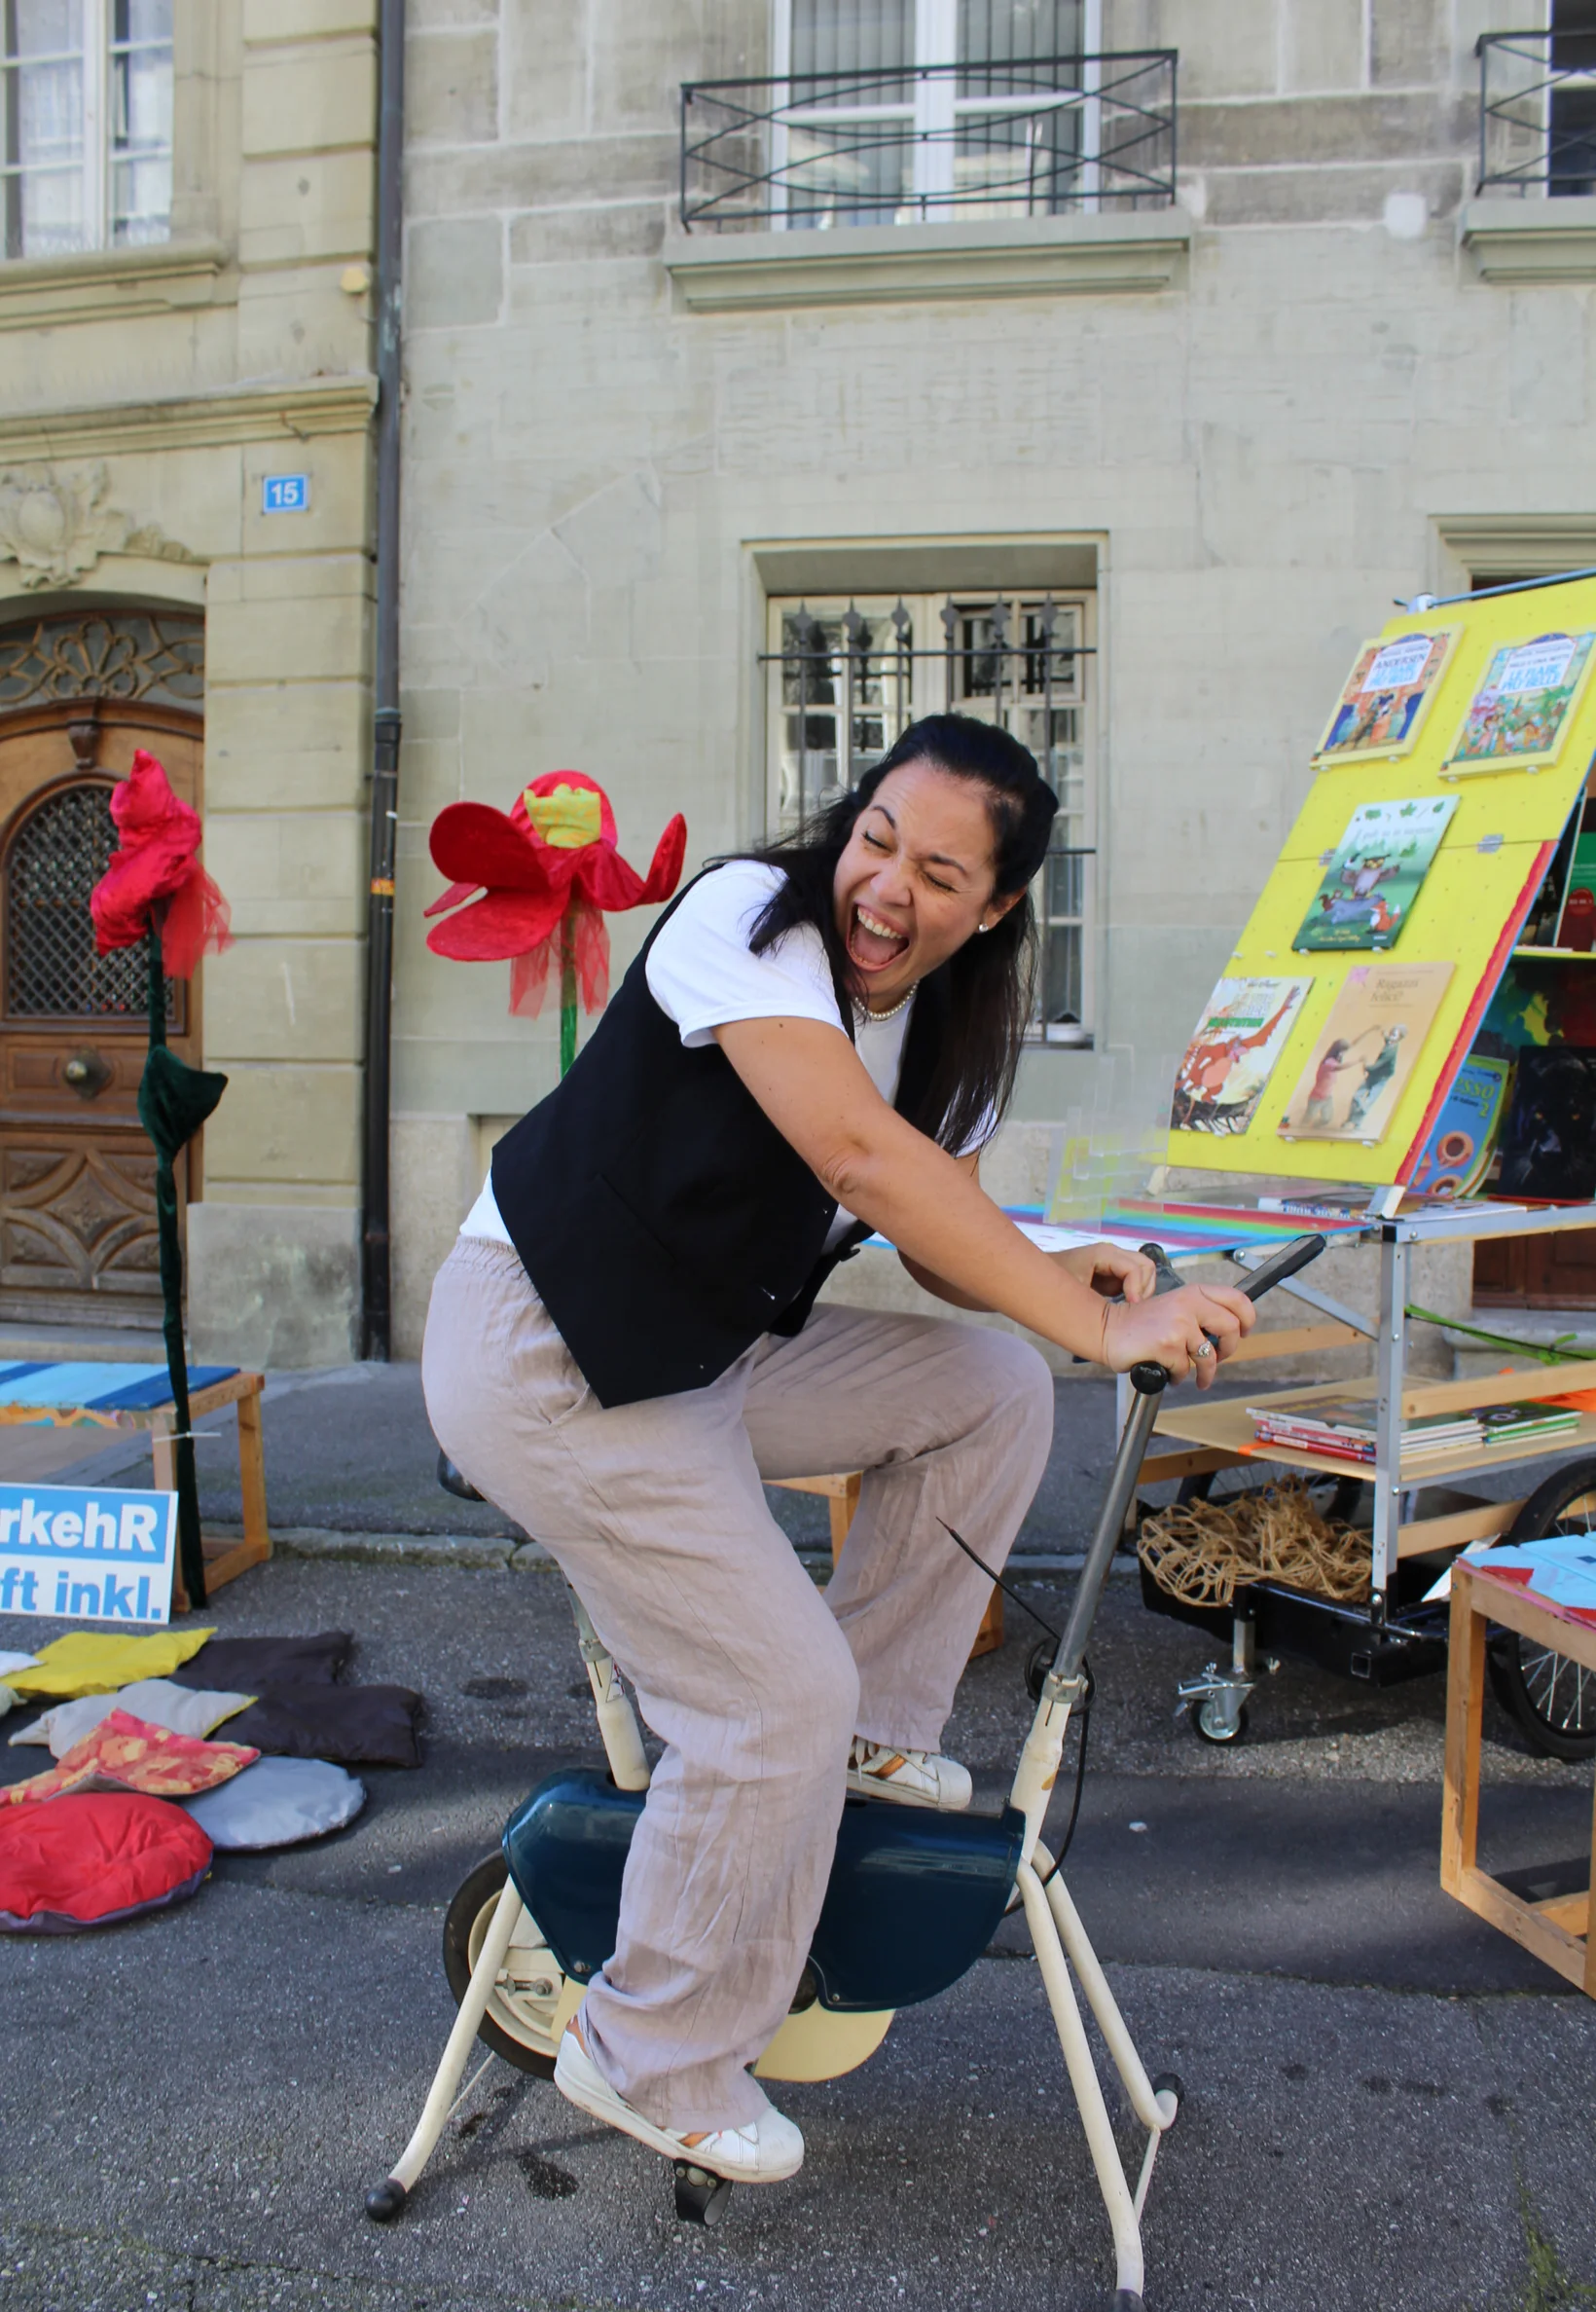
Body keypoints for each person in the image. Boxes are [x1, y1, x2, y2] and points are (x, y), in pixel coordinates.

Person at [421, 714, 1253, 2191]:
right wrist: (1097, 1323)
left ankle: (869, 1727)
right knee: (766, 1699)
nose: (885, 887)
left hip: (695, 1352)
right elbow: (858, 1160)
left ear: (995, 907)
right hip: (548, 1348)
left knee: (991, 1385)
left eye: (939, 874)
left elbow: (930, 1230)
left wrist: (1066, 1268)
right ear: (847, 820)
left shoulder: (957, 1029)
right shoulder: (751, 917)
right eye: (877, 838)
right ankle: (649, 2048)